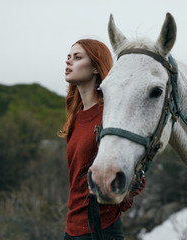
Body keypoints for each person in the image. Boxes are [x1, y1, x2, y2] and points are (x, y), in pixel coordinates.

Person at [59, 39, 144, 240]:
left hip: (102, 230)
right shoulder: (75, 118)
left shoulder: (110, 116)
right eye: (68, 57)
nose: (69, 62)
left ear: (96, 67)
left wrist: (113, 205)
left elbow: (138, 173)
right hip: (72, 229)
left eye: (77, 58)